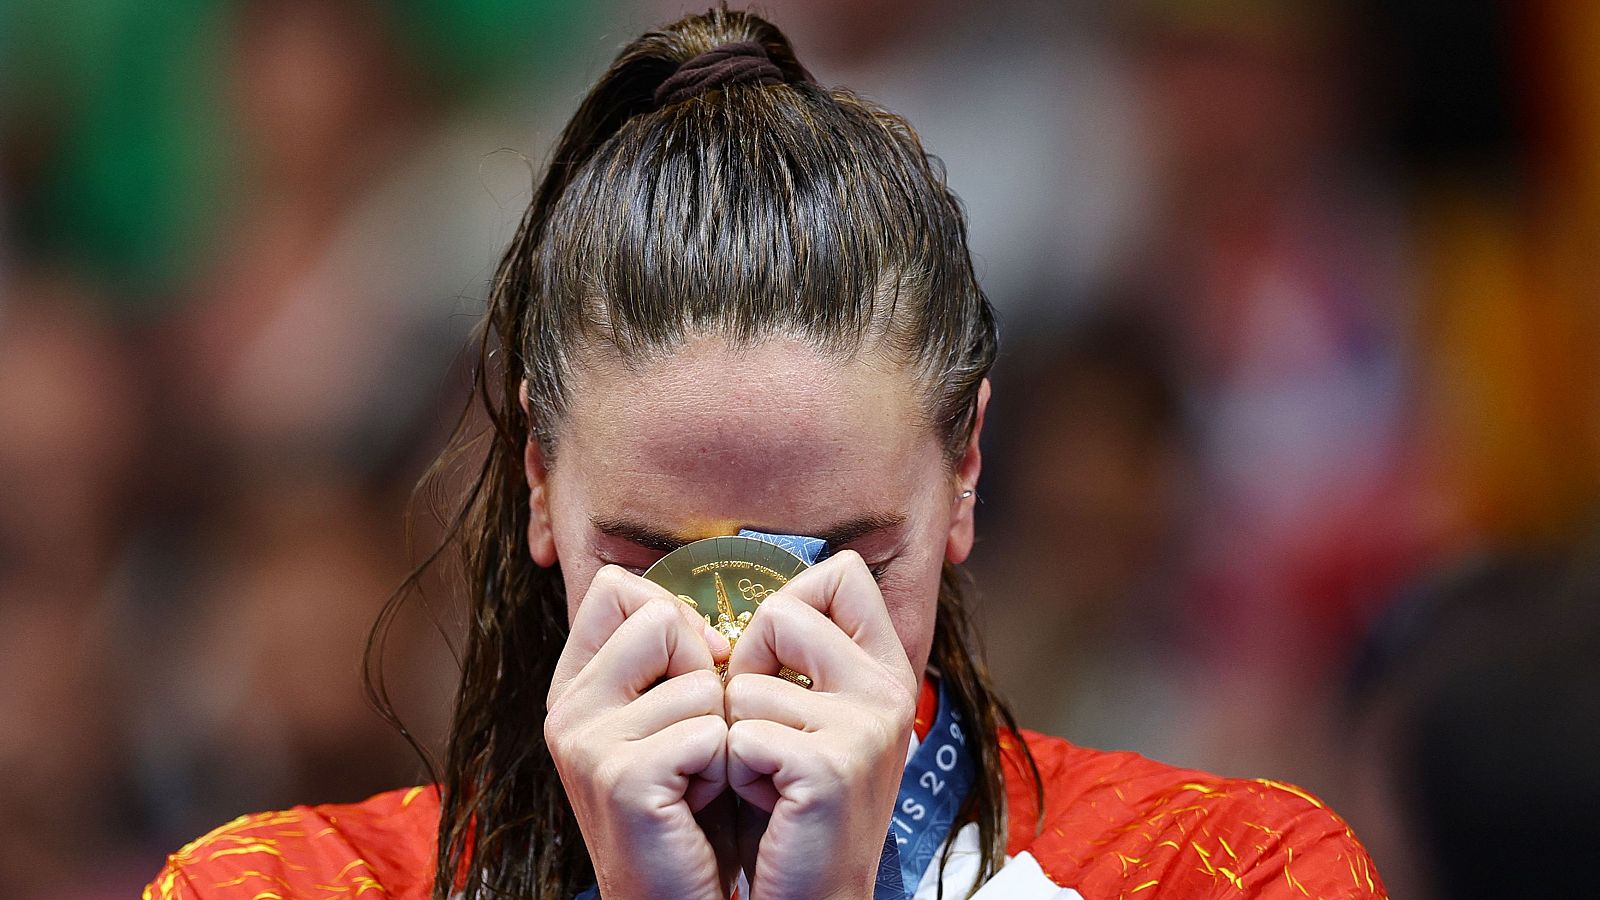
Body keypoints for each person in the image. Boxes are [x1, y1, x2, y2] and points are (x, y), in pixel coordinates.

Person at [146, 8, 1387, 899]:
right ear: (537, 479)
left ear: (963, 476)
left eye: (838, 555)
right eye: (649, 557)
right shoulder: (272, 888)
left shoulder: (1231, 874)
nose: (739, 638)